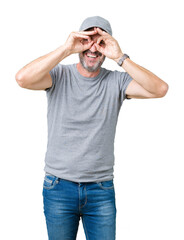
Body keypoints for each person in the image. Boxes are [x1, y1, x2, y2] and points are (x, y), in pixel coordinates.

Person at [15, 16, 168, 240]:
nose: (93, 49)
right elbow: (22, 78)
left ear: (108, 47)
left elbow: (160, 89)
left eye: (101, 42)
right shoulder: (59, 75)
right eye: (88, 40)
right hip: (58, 187)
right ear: (79, 41)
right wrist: (66, 49)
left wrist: (120, 57)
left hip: (100, 190)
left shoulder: (117, 82)